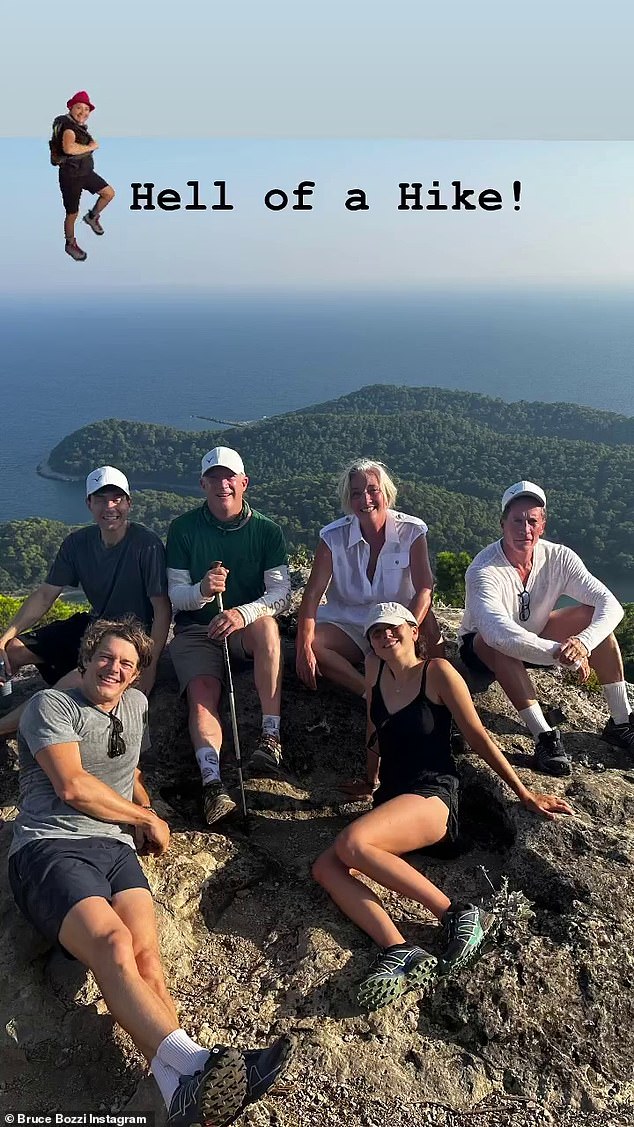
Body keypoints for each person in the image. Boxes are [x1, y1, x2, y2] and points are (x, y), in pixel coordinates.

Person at [8, 617, 293, 1126]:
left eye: (127, 664)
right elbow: (72, 785)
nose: (113, 669)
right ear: (86, 657)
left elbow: (127, 770)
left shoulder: (134, 707)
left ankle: (179, 1096)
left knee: (147, 961)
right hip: (52, 848)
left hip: (116, 849)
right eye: (105, 657)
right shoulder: (50, 706)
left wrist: (144, 803)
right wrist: (145, 817)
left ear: (138, 676)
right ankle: (198, 1066)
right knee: (114, 946)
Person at [312, 602, 573, 1012]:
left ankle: (457, 913)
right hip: (394, 798)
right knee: (325, 867)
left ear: (414, 630)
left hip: (434, 797)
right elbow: (372, 727)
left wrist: (524, 793)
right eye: (376, 632)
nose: (384, 636)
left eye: (393, 627)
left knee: (353, 843)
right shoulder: (374, 671)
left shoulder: (437, 672)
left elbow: (478, 737)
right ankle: (399, 950)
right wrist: (369, 779)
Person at [458, 481, 631, 776]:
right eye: (516, 520)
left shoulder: (559, 557)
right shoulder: (483, 569)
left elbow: (610, 604)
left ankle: (621, 721)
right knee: (498, 644)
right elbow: (499, 632)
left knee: (594, 618)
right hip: (484, 648)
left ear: (542, 525)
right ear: (502, 523)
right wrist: (561, 653)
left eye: (532, 520)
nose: (524, 528)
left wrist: (584, 642)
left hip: (537, 634)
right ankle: (545, 737)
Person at [296, 458, 444, 793]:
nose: (366, 499)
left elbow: (424, 588)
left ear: (387, 493)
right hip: (352, 623)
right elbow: (312, 596)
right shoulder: (332, 538)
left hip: (399, 624)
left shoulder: (411, 531)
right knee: (317, 644)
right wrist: (303, 646)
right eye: (357, 493)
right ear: (348, 499)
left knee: (434, 640)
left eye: (372, 490)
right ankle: (370, 692)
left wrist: (410, 626)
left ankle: (436, 705)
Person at [166, 447, 291, 827]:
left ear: (243, 482)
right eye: (215, 478)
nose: (223, 484)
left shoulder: (267, 531)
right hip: (197, 630)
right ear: (203, 484)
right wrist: (204, 590)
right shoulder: (183, 529)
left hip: (243, 629)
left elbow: (280, 596)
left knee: (268, 626)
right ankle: (212, 783)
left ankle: (271, 739)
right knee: (203, 693)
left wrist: (241, 613)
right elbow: (175, 595)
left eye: (230, 477)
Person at [0, 466, 171, 738]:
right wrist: (6, 636)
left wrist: (149, 667)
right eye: (101, 499)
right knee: (13, 651)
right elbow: (45, 595)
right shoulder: (77, 544)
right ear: (89, 503)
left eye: (117, 499)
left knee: (70, 685)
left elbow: (162, 609)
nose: (109, 506)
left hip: (133, 637)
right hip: (95, 626)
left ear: (129, 502)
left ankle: (6, 727)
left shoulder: (146, 545)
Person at [53, 91, 115, 262]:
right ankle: (70, 243)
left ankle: (92, 217)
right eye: (79, 107)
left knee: (108, 193)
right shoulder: (68, 128)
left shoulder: (76, 125)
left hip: (85, 172)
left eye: (86, 109)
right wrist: (91, 147)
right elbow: (69, 148)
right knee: (72, 213)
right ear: (71, 107)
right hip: (71, 176)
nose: (83, 112)